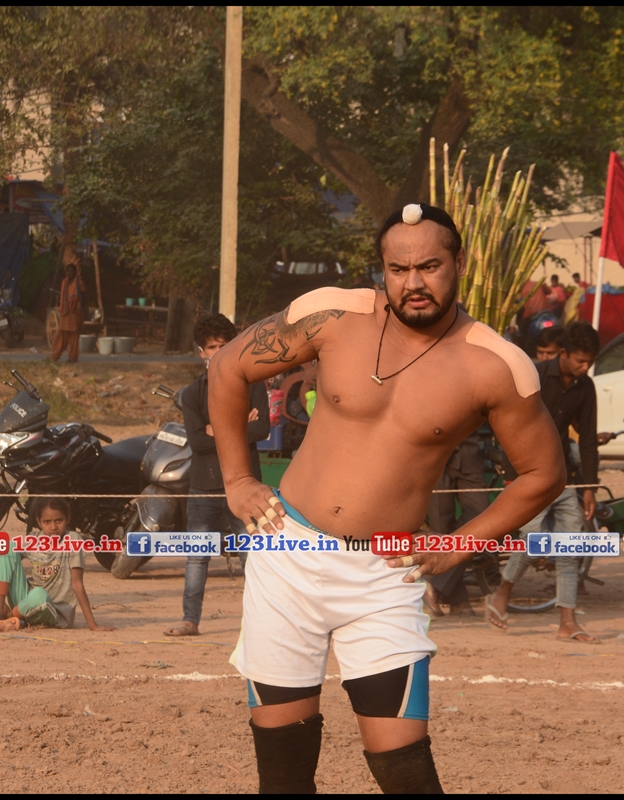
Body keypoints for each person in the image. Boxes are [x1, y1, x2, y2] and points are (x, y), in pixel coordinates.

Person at [208, 202, 565, 794]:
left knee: (405, 772)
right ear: (383, 269)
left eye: (429, 266)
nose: (413, 282)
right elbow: (227, 367)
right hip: (287, 553)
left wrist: (459, 545)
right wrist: (238, 480)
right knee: (283, 773)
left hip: (384, 574)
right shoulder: (332, 315)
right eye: (398, 269)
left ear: (459, 263)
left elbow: (543, 473)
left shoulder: (496, 364)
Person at [485, 322, 601, 641]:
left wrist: (589, 487)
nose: (585, 367)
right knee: (535, 538)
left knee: (569, 547)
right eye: (580, 360)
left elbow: (588, 439)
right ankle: (502, 592)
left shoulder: (585, 387)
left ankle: (568, 622)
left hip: (563, 476)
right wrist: (512, 478)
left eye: (590, 362)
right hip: (527, 474)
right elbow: (510, 425)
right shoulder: (532, 376)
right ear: (563, 353)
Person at [165, 314, 269, 637]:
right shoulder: (192, 394)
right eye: (212, 347)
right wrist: (239, 427)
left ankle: (260, 624)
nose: (218, 352)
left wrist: (217, 429)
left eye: (224, 345)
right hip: (204, 486)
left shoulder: (253, 385)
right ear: (201, 352)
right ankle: (190, 620)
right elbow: (197, 442)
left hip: (245, 487)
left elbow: (262, 429)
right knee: (197, 558)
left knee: (252, 556)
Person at [0, 498, 115, 631]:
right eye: (47, 522)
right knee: (6, 547)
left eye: (59, 520)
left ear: (68, 518)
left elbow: (77, 584)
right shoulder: (35, 539)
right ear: (39, 522)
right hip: (25, 603)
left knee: (39, 594)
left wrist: (93, 625)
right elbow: (8, 560)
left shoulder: (73, 540)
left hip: (53, 612)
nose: (53, 527)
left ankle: (8, 617)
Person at [421, 431, 489, 619]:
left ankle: (432, 582)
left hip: (469, 454)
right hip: (433, 457)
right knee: (441, 532)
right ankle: (459, 600)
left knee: (481, 521)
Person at [51, 262, 85, 362]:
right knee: (61, 334)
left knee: (74, 336)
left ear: (75, 272)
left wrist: (81, 310)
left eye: (72, 271)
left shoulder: (79, 283)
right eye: (68, 271)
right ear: (66, 272)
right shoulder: (64, 282)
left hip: (75, 313)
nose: (70, 273)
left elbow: (84, 298)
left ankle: (73, 357)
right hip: (65, 313)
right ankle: (55, 356)